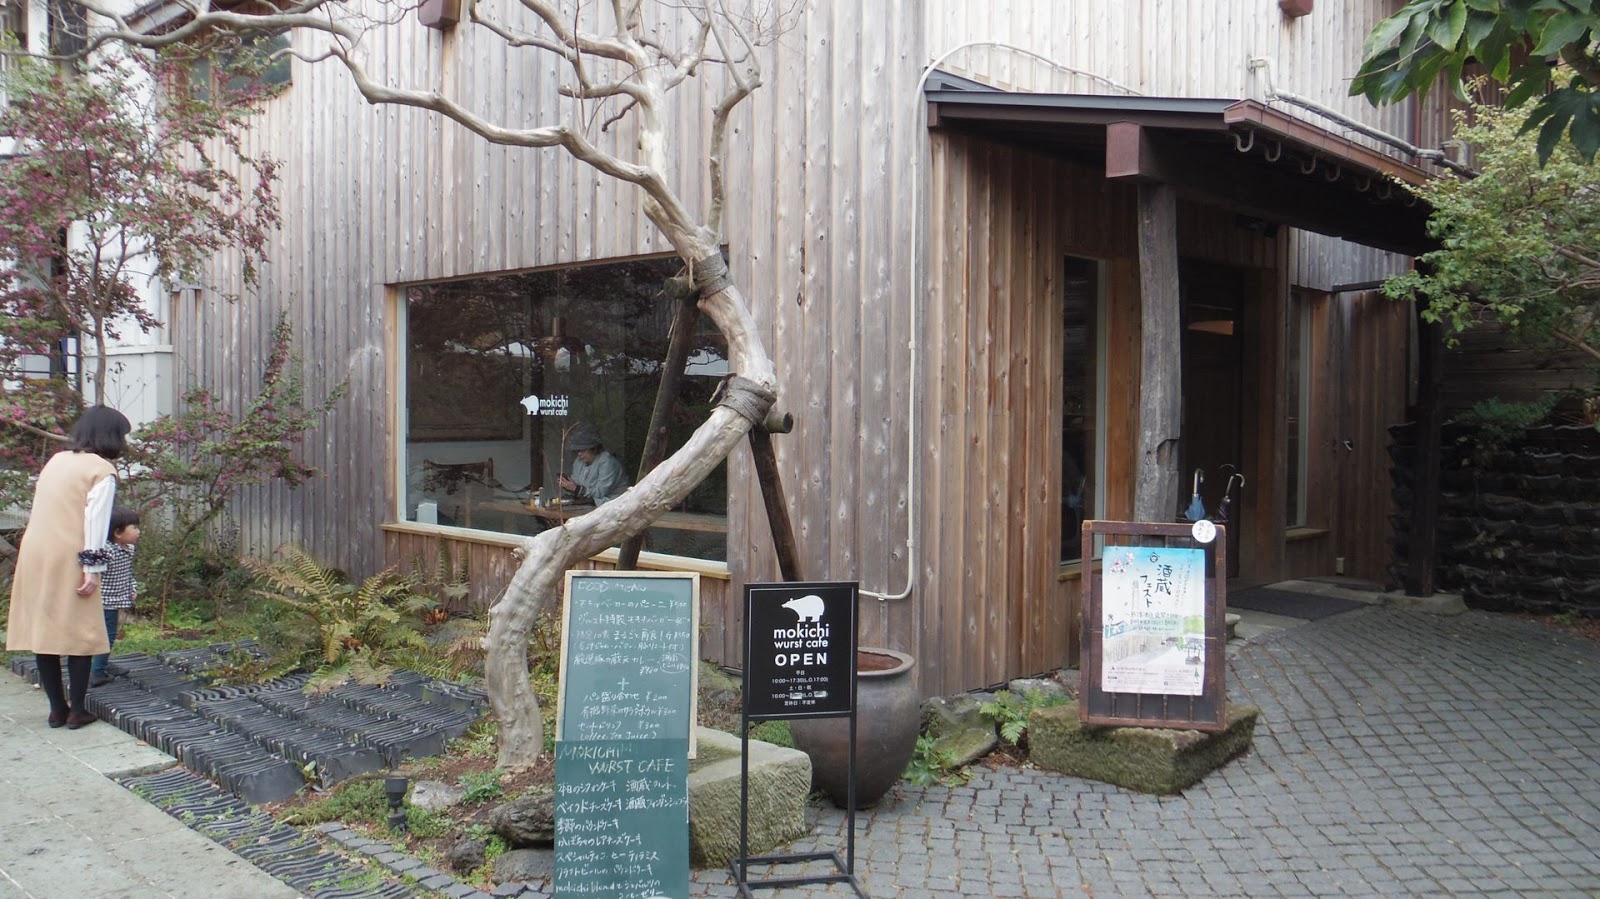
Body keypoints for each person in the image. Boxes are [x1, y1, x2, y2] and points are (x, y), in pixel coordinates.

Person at [5, 405, 131, 730]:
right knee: (81, 631)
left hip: (35, 551)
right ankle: (77, 710)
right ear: (112, 436)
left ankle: (56, 710)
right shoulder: (102, 470)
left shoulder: (56, 460)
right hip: (71, 554)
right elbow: (95, 521)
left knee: (45, 631)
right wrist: (92, 569)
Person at [89, 505, 140, 687]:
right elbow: (86, 564)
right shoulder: (106, 551)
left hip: (117, 599)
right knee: (106, 636)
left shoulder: (128, 549)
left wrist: (132, 587)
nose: (138, 532)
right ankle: (97, 672)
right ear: (118, 533)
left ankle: (101, 663)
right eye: (134, 527)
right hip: (103, 602)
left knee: (107, 634)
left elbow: (128, 573)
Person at [557, 422, 628, 506]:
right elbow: (577, 485)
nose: (579, 454)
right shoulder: (579, 462)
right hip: (590, 505)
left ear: (593, 449)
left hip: (614, 505)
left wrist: (576, 489)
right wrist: (568, 485)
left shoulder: (608, 462)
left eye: (583, 450)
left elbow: (601, 492)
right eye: (578, 451)